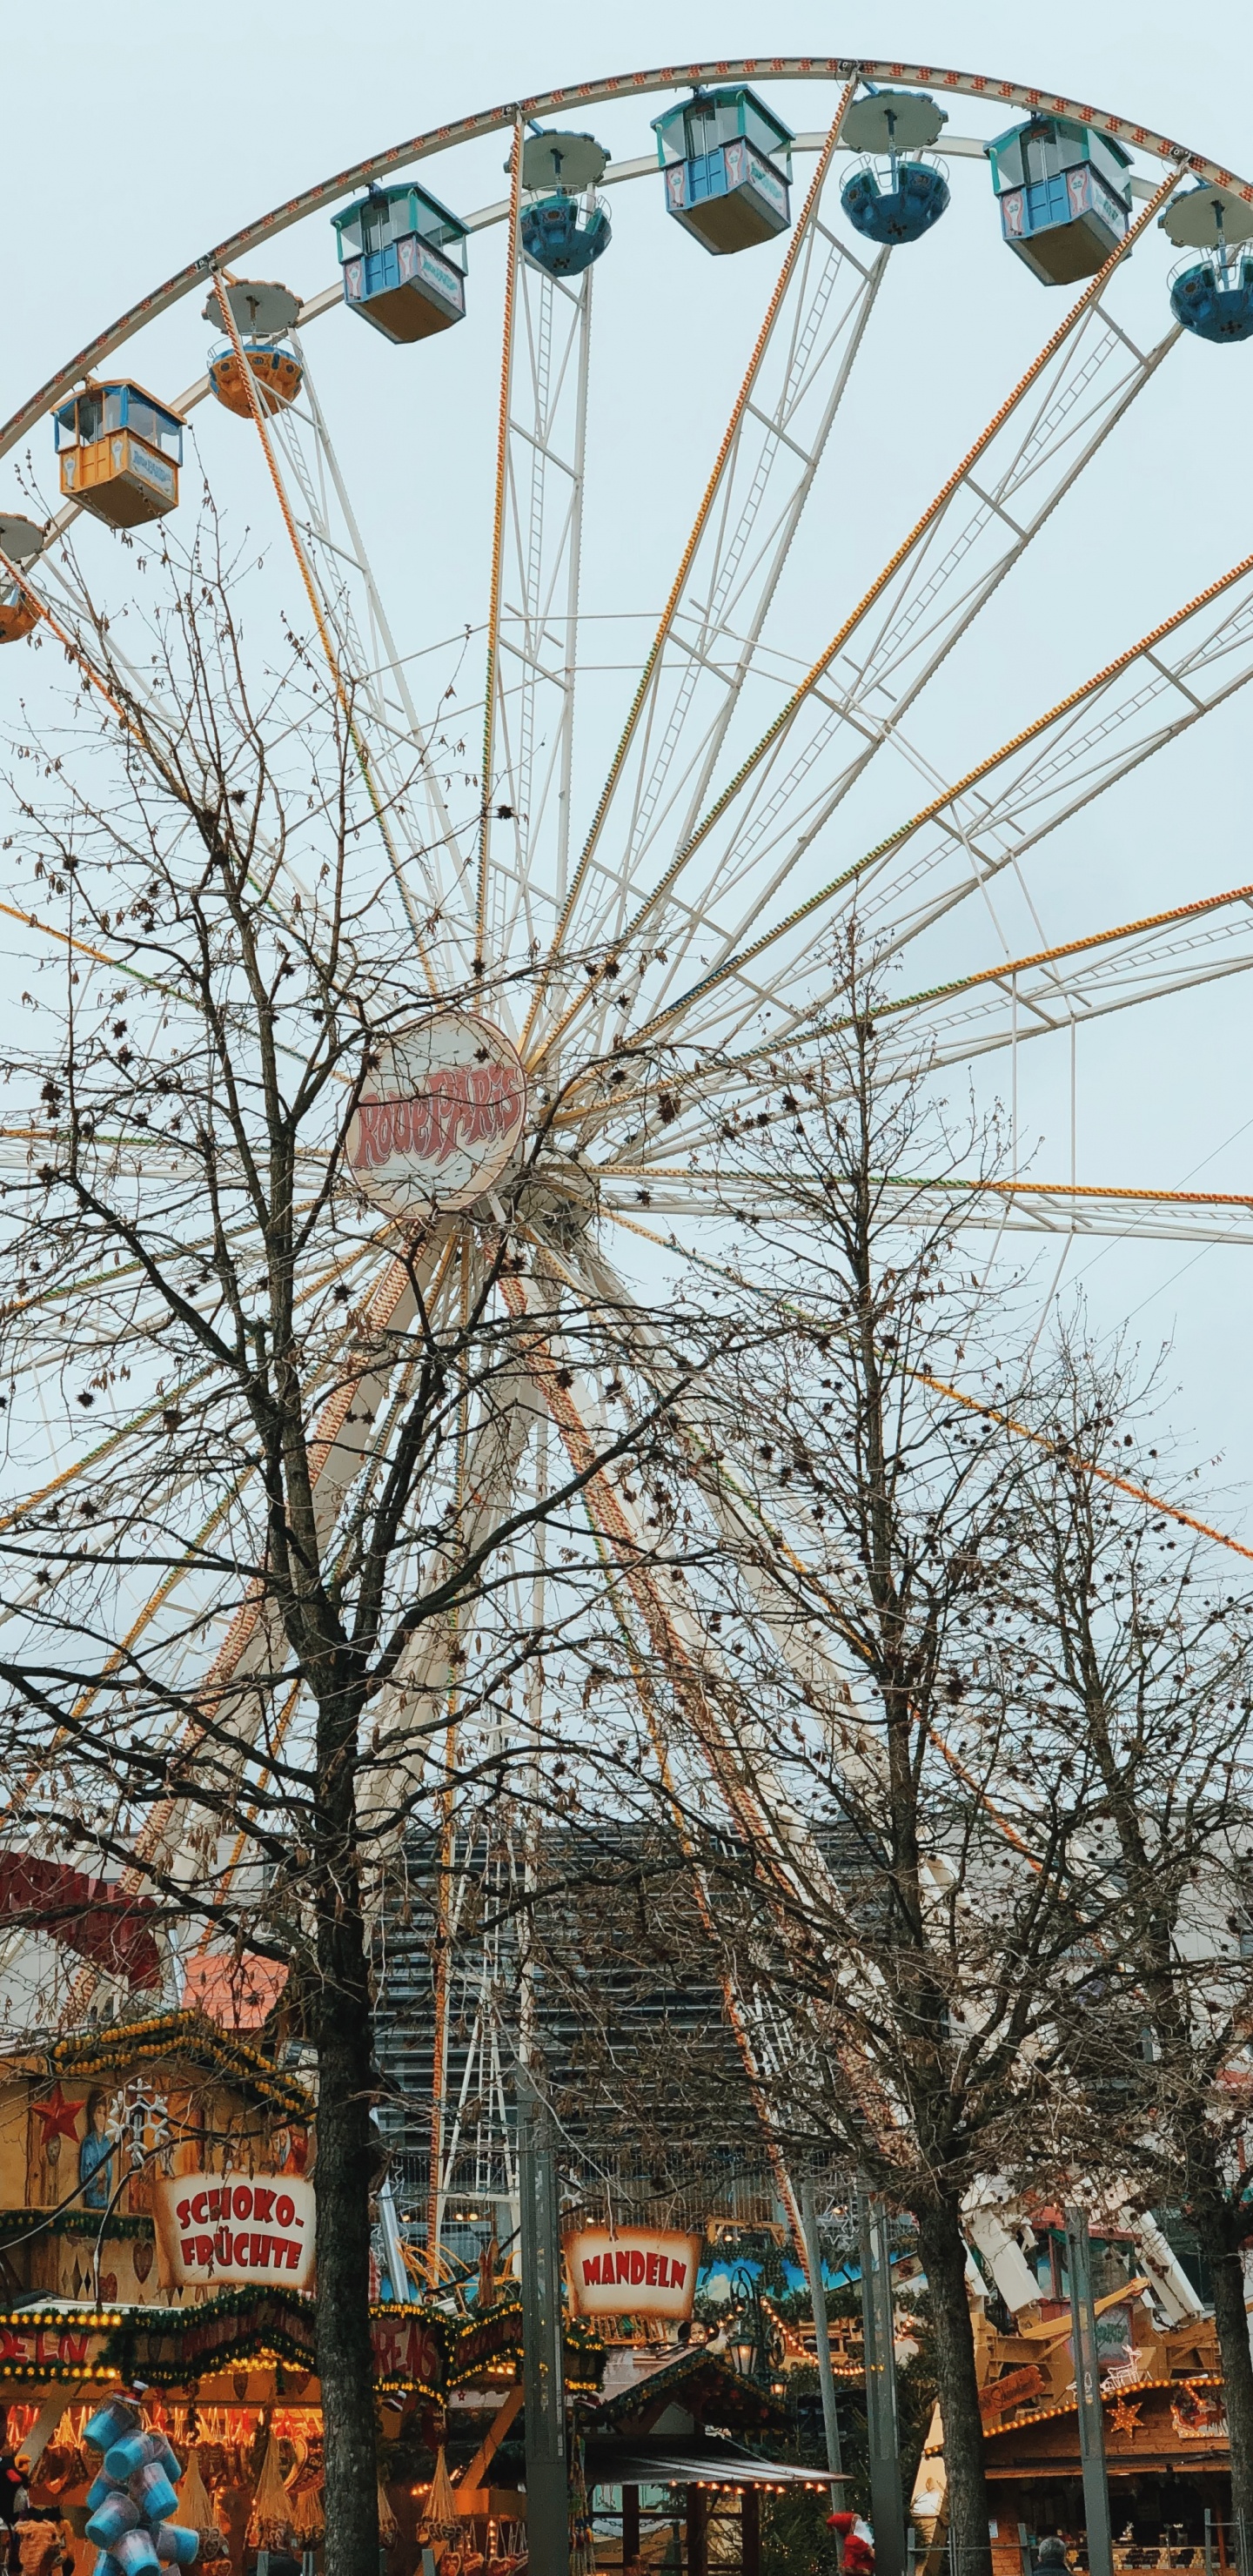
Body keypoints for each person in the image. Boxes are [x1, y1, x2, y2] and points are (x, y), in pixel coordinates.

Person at [78, 2092, 113, 2210]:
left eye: (104, 2113)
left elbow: (109, 2173)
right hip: (91, 2202)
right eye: (99, 2112)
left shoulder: (106, 2143)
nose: (101, 2118)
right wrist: (97, 2177)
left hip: (104, 2202)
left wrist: (104, 2177)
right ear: (93, 2115)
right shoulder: (88, 2143)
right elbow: (85, 2176)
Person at [827, 2511, 874, 2575]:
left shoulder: (860, 2534)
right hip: (863, 2567)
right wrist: (869, 2550)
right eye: (855, 2520)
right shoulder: (852, 2539)